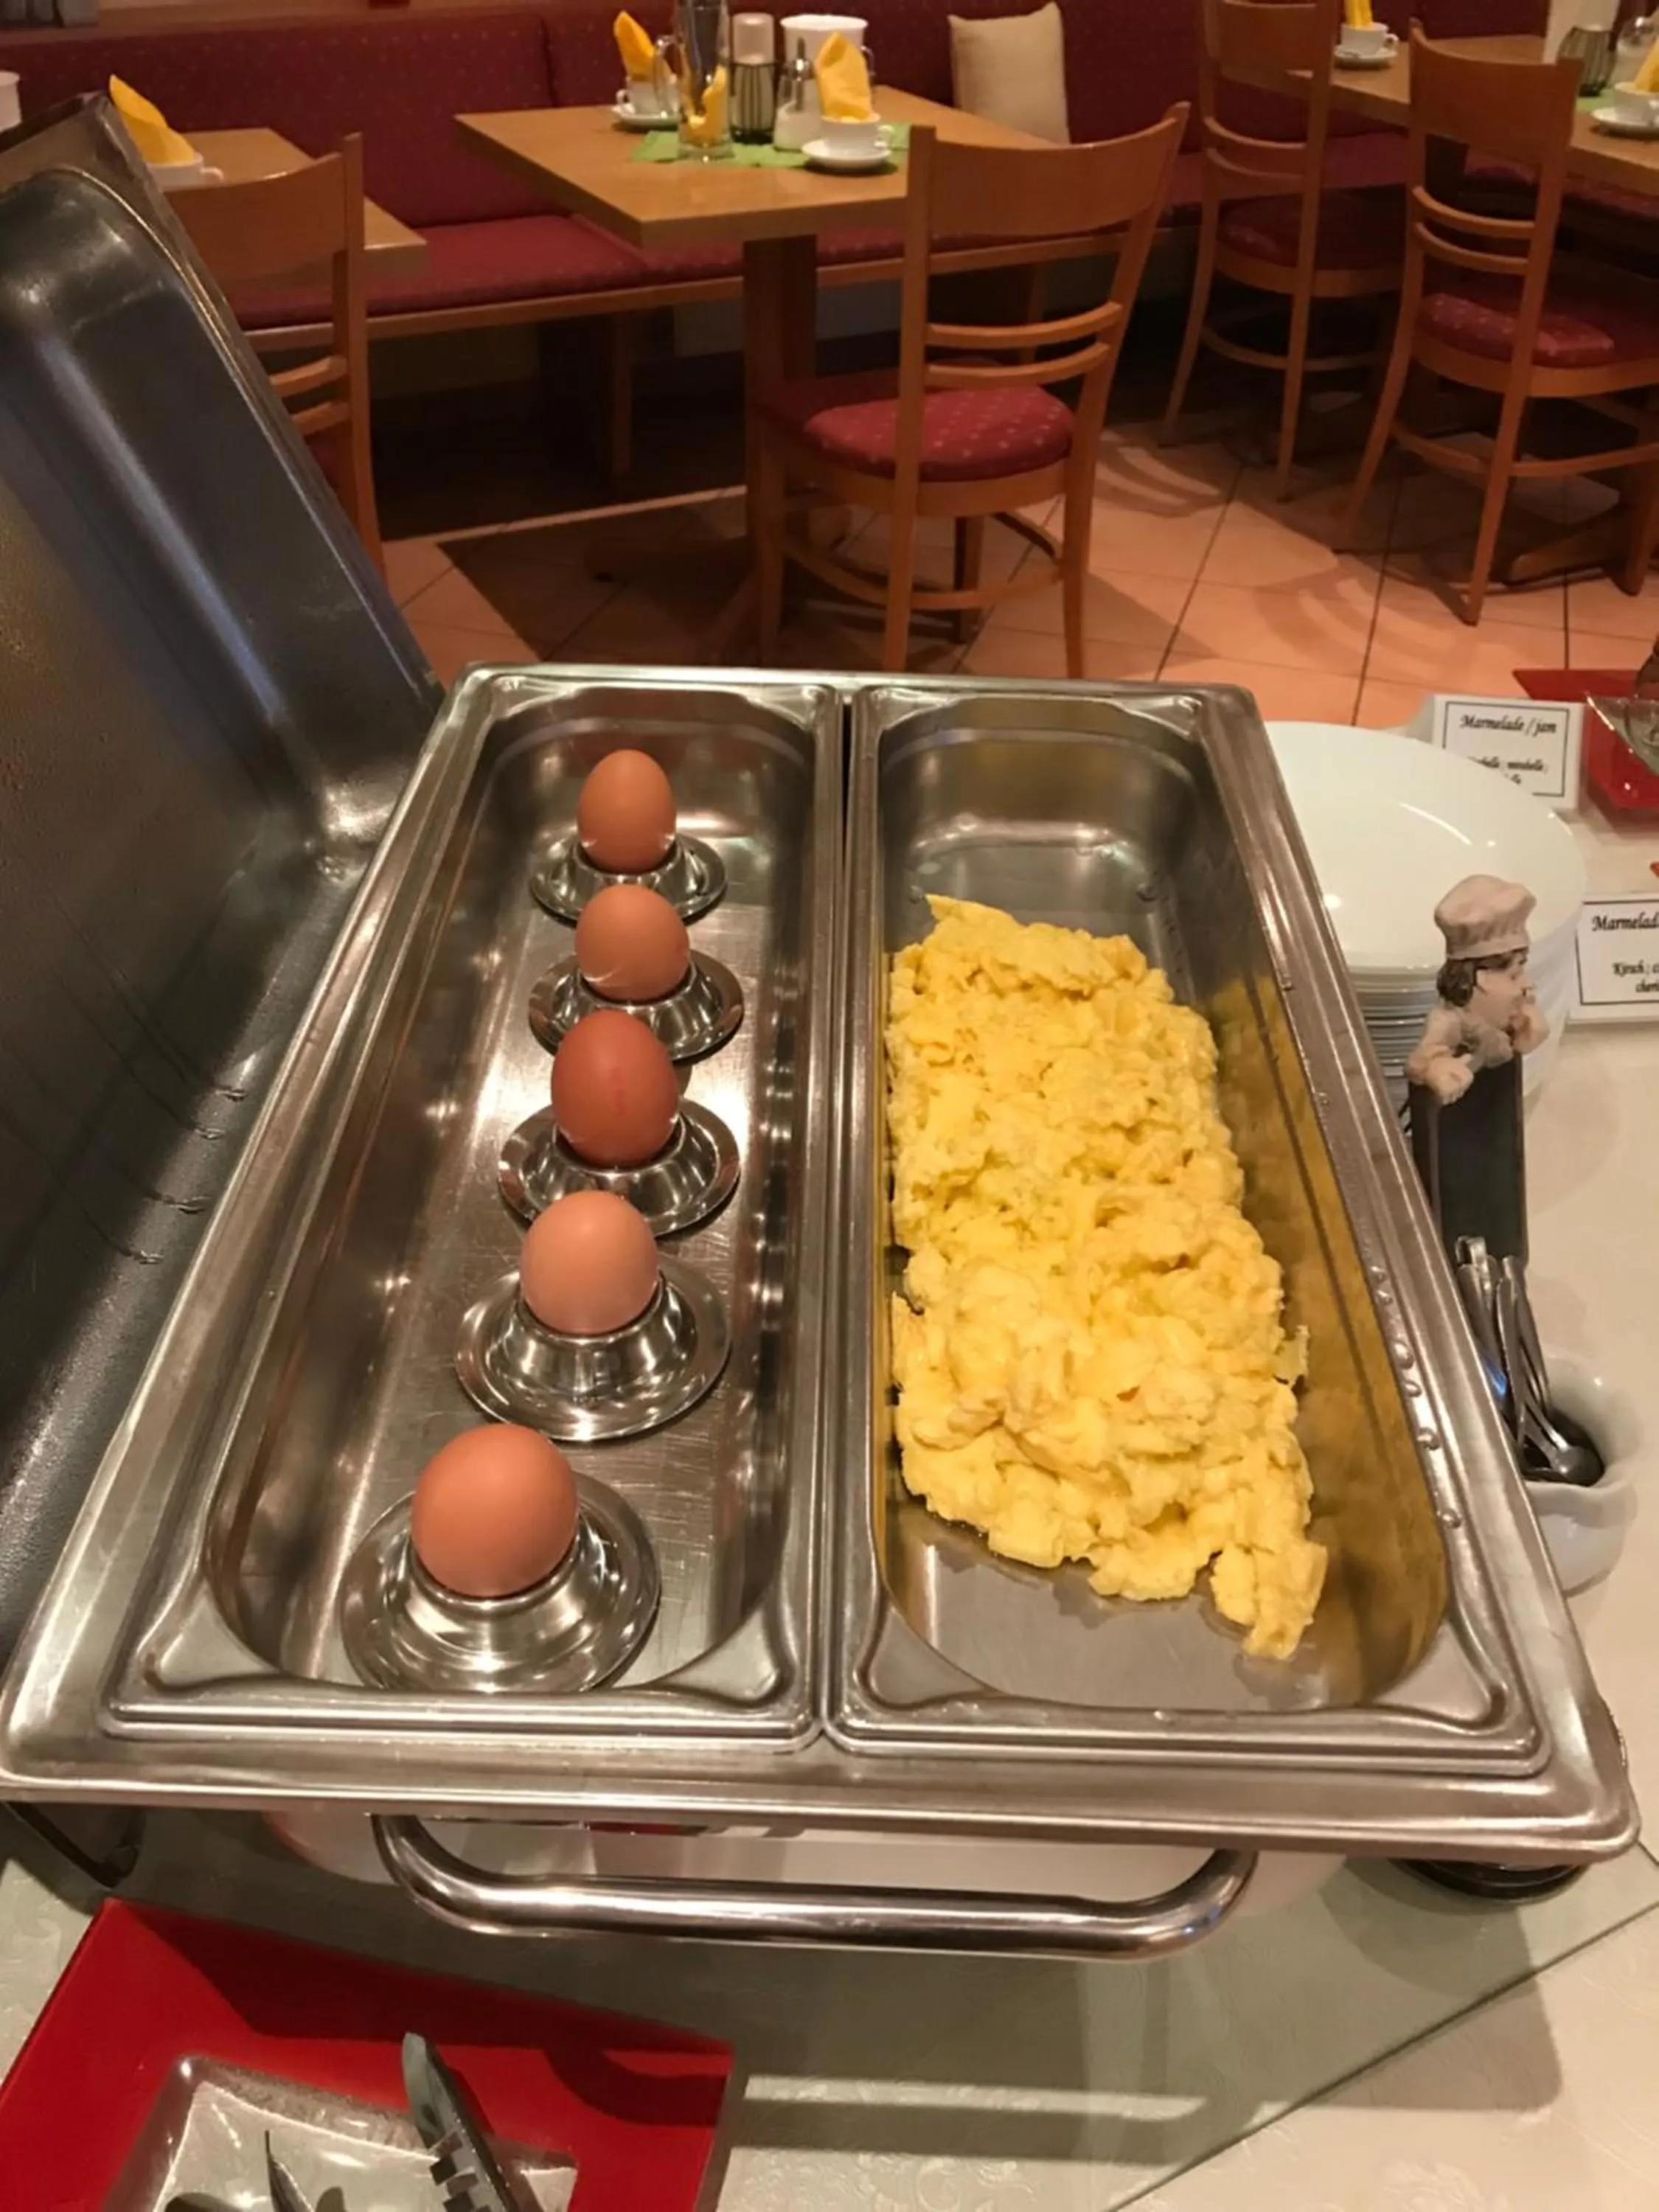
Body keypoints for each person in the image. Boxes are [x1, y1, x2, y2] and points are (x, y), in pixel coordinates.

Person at [1405, 874, 1550, 1106]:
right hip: (1461, 1123)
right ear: (1481, 979)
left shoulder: (1501, 1018)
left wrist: (1523, 1035)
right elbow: (1420, 1060)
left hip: (1498, 1108)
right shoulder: (1449, 1020)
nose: (1527, 984)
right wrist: (1437, 1068)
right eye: (1514, 975)